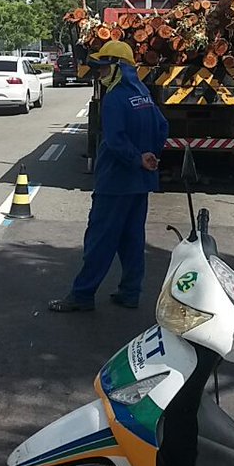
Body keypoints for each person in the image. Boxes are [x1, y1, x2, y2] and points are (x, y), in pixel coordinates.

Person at [50, 40, 169, 312]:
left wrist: (136, 157)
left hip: (116, 182)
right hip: (141, 183)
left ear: (117, 68)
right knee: (132, 239)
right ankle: (130, 293)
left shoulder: (114, 98)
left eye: (103, 69)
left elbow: (115, 141)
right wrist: (150, 154)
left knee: (100, 239)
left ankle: (82, 295)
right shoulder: (143, 93)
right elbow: (163, 126)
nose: (99, 74)